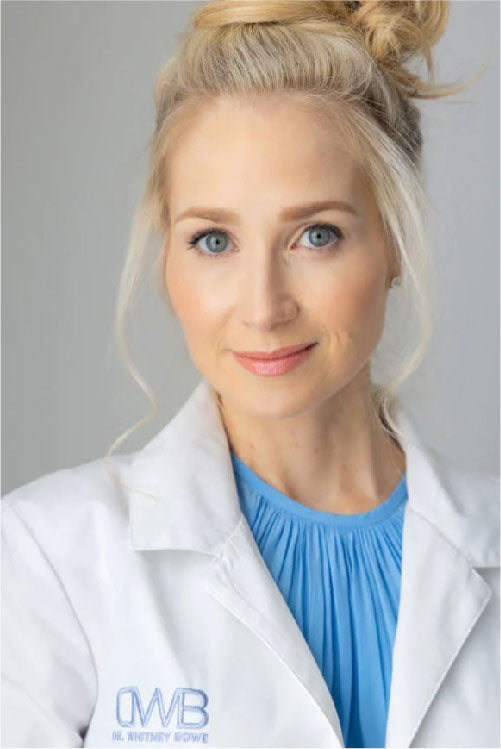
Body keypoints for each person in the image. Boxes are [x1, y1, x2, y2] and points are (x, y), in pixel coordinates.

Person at [2, 1, 499, 748]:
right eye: (213, 240)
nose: (264, 308)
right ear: (166, 258)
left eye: (316, 235)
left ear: (394, 241)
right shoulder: (47, 559)